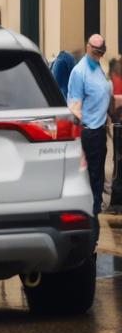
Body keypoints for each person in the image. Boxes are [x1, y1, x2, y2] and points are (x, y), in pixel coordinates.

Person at [67, 33, 114, 235]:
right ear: (87, 49)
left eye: (101, 53)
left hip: (99, 130)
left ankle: (93, 214)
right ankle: (89, 218)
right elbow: (74, 105)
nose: (98, 56)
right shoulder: (80, 72)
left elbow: (104, 94)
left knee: (97, 176)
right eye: (96, 52)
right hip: (87, 131)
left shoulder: (100, 69)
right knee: (89, 176)